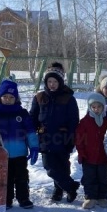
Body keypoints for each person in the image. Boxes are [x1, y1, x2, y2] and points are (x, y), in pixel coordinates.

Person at [0, 79, 39, 209]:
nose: (8, 99)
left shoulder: (22, 113)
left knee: (22, 177)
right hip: (1, 154)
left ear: (16, 98)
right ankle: (6, 200)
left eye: (11, 97)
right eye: (5, 96)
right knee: (4, 179)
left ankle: (24, 198)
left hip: (20, 153)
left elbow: (30, 132)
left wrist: (34, 147)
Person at [30, 67, 80, 203]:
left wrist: (71, 138)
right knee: (50, 167)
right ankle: (70, 187)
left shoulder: (68, 98)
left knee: (63, 165)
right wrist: (31, 135)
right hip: (45, 138)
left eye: (55, 81)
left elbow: (73, 120)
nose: (52, 84)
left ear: (60, 82)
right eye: (49, 81)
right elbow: (33, 118)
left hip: (62, 138)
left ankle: (58, 191)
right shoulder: (39, 97)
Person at [75, 93, 107, 209]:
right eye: (93, 107)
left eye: (99, 107)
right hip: (88, 156)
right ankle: (90, 197)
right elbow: (79, 139)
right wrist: (81, 152)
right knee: (89, 177)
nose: (96, 109)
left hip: (104, 156)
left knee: (103, 177)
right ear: (90, 107)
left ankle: (102, 196)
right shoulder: (85, 121)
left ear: (103, 107)